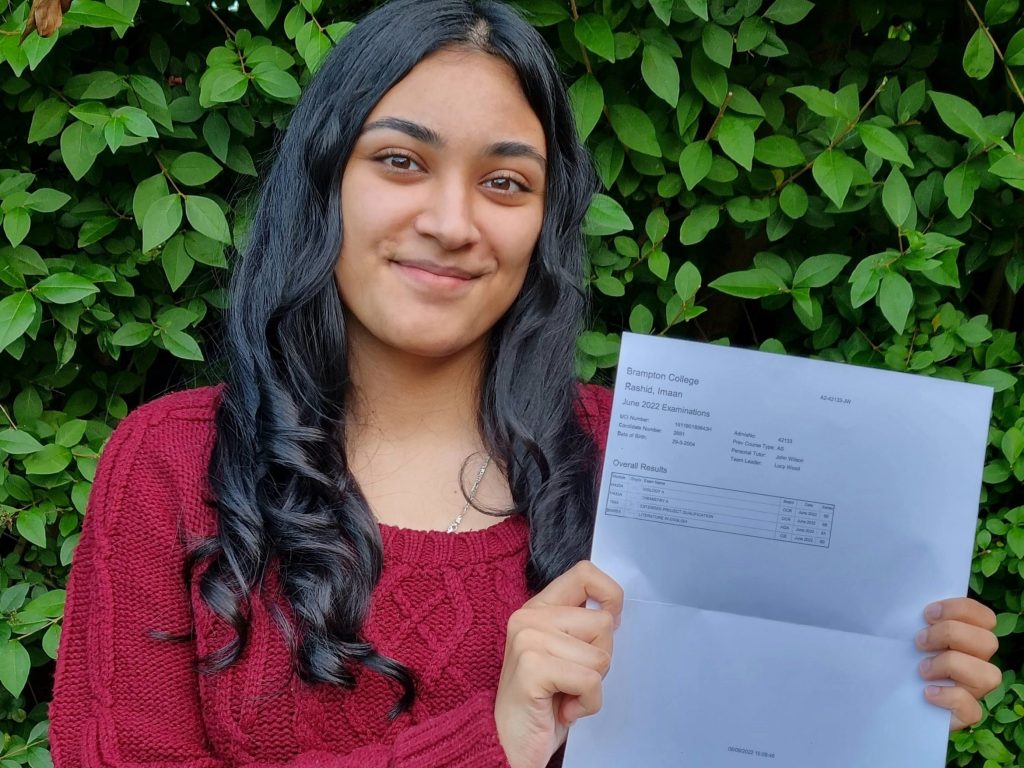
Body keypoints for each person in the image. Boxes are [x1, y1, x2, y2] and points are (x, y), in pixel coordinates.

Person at [49, 1, 1002, 766]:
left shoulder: (651, 463)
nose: (453, 221)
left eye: (506, 183)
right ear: (324, 180)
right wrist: (488, 739)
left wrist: (874, 695)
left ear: (544, 223)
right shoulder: (174, 465)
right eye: (400, 161)